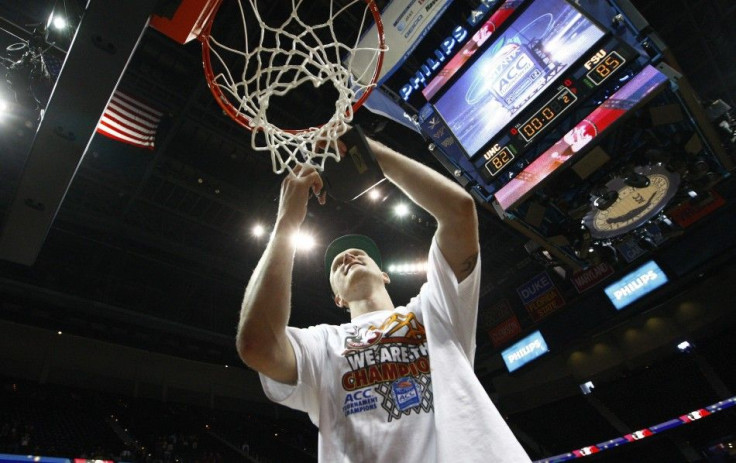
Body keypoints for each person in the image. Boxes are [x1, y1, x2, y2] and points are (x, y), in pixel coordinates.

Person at [237, 133, 531, 462]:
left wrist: (368, 152)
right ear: (338, 298)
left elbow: (460, 211)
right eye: (337, 264)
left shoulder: (433, 311)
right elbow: (256, 345)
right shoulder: (322, 345)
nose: (347, 257)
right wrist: (286, 223)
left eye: (358, 253)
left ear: (384, 275)